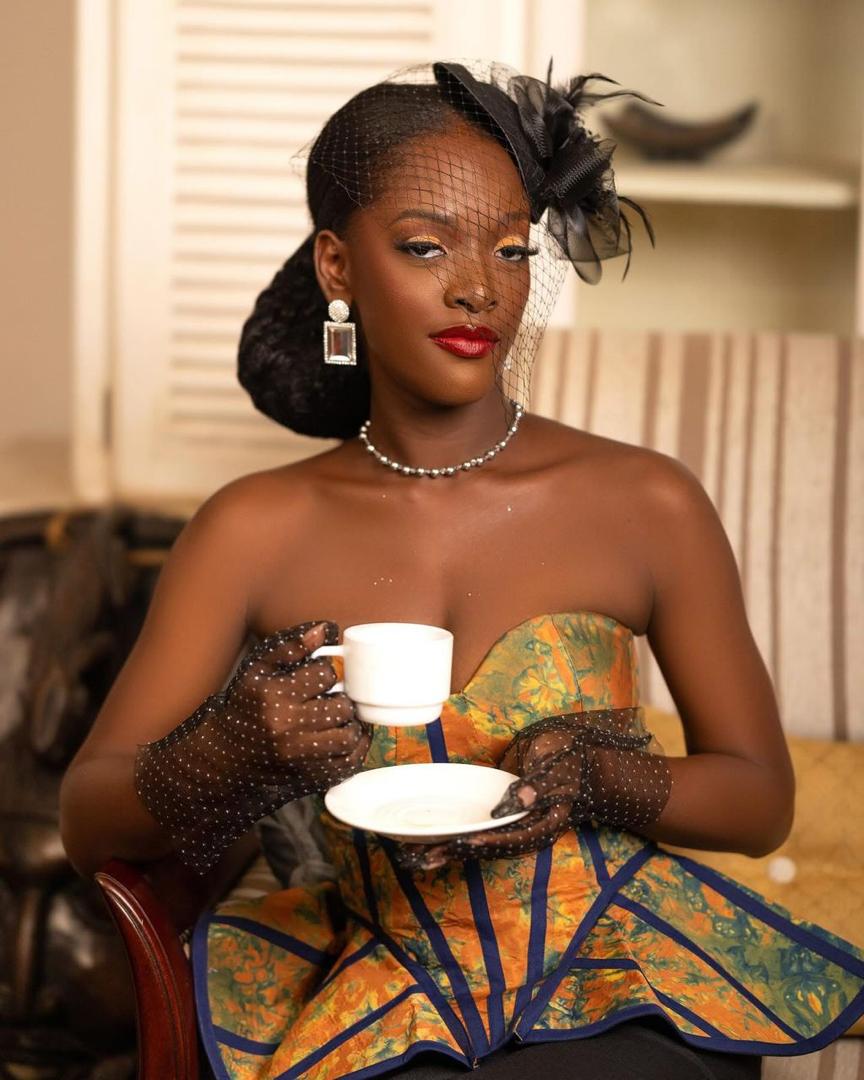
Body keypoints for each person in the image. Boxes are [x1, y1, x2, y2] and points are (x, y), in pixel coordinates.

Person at [60, 60, 864, 1080]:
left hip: (621, 985)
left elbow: (759, 800)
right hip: (384, 989)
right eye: (425, 246)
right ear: (338, 266)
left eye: (511, 248)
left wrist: (600, 777)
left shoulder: (646, 501)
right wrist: (231, 753)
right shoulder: (251, 528)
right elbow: (87, 818)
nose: (479, 286)